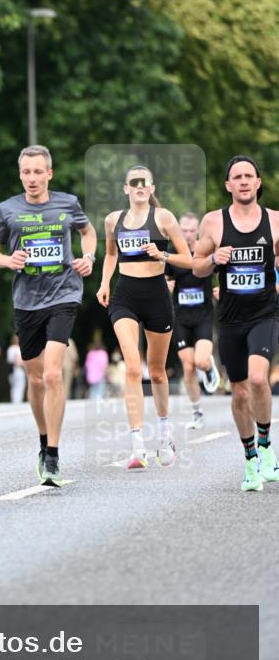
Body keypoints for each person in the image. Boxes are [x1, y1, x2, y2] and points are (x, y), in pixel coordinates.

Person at [0, 144, 97, 486]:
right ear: (21, 174)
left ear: (49, 173)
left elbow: (88, 232)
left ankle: (54, 456)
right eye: (26, 172)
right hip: (26, 300)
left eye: (38, 172)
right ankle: (44, 441)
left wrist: (88, 257)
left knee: (51, 375)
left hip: (64, 294)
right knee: (34, 380)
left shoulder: (68, 203)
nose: (32, 178)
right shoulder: (7, 210)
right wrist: (8, 261)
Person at [97, 164, 192, 470]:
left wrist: (162, 255)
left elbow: (187, 260)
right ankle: (137, 445)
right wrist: (103, 283)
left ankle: (164, 435)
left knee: (158, 371)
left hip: (156, 295)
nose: (139, 186)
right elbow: (111, 255)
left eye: (144, 183)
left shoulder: (163, 218)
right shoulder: (113, 220)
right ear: (125, 189)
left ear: (151, 189)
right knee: (133, 368)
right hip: (125, 294)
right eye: (133, 182)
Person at [193, 155, 279, 491]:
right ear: (228, 185)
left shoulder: (274, 221)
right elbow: (197, 266)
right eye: (236, 177)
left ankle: (266, 444)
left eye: (249, 176)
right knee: (240, 390)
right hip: (229, 319)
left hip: (265, 314)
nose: (243, 181)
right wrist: (215, 259)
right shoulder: (213, 223)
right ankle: (249, 460)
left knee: (259, 379)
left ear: (258, 182)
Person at [165, 212, 220, 429]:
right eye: (183, 230)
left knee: (201, 361)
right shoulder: (173, 254)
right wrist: (165, 285)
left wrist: (222, 289)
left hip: (204, 317)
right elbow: (163, 277)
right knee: (188, 366)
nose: (187, 234)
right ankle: (197, 412)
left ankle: (208, 368)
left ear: (198, 231)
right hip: (181, 319)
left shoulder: (205, 252)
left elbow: (221, 271)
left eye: (190, 230)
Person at [84, 332, 109, 399]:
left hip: (91, 375)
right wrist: (106, 375)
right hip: (100, 375)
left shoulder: (90, 353)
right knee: (100, 392)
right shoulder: (103, 353)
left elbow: (86, 365)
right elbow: (104, 365)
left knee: (92, 391)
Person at [6, 334, 27, 404]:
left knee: (13, 387)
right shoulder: (20, 349)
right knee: (20, 386)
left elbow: (9, 360)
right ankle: (18, 402)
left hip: (11, 371)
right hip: (19, 370)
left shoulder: (10, 349)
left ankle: (14, 401)